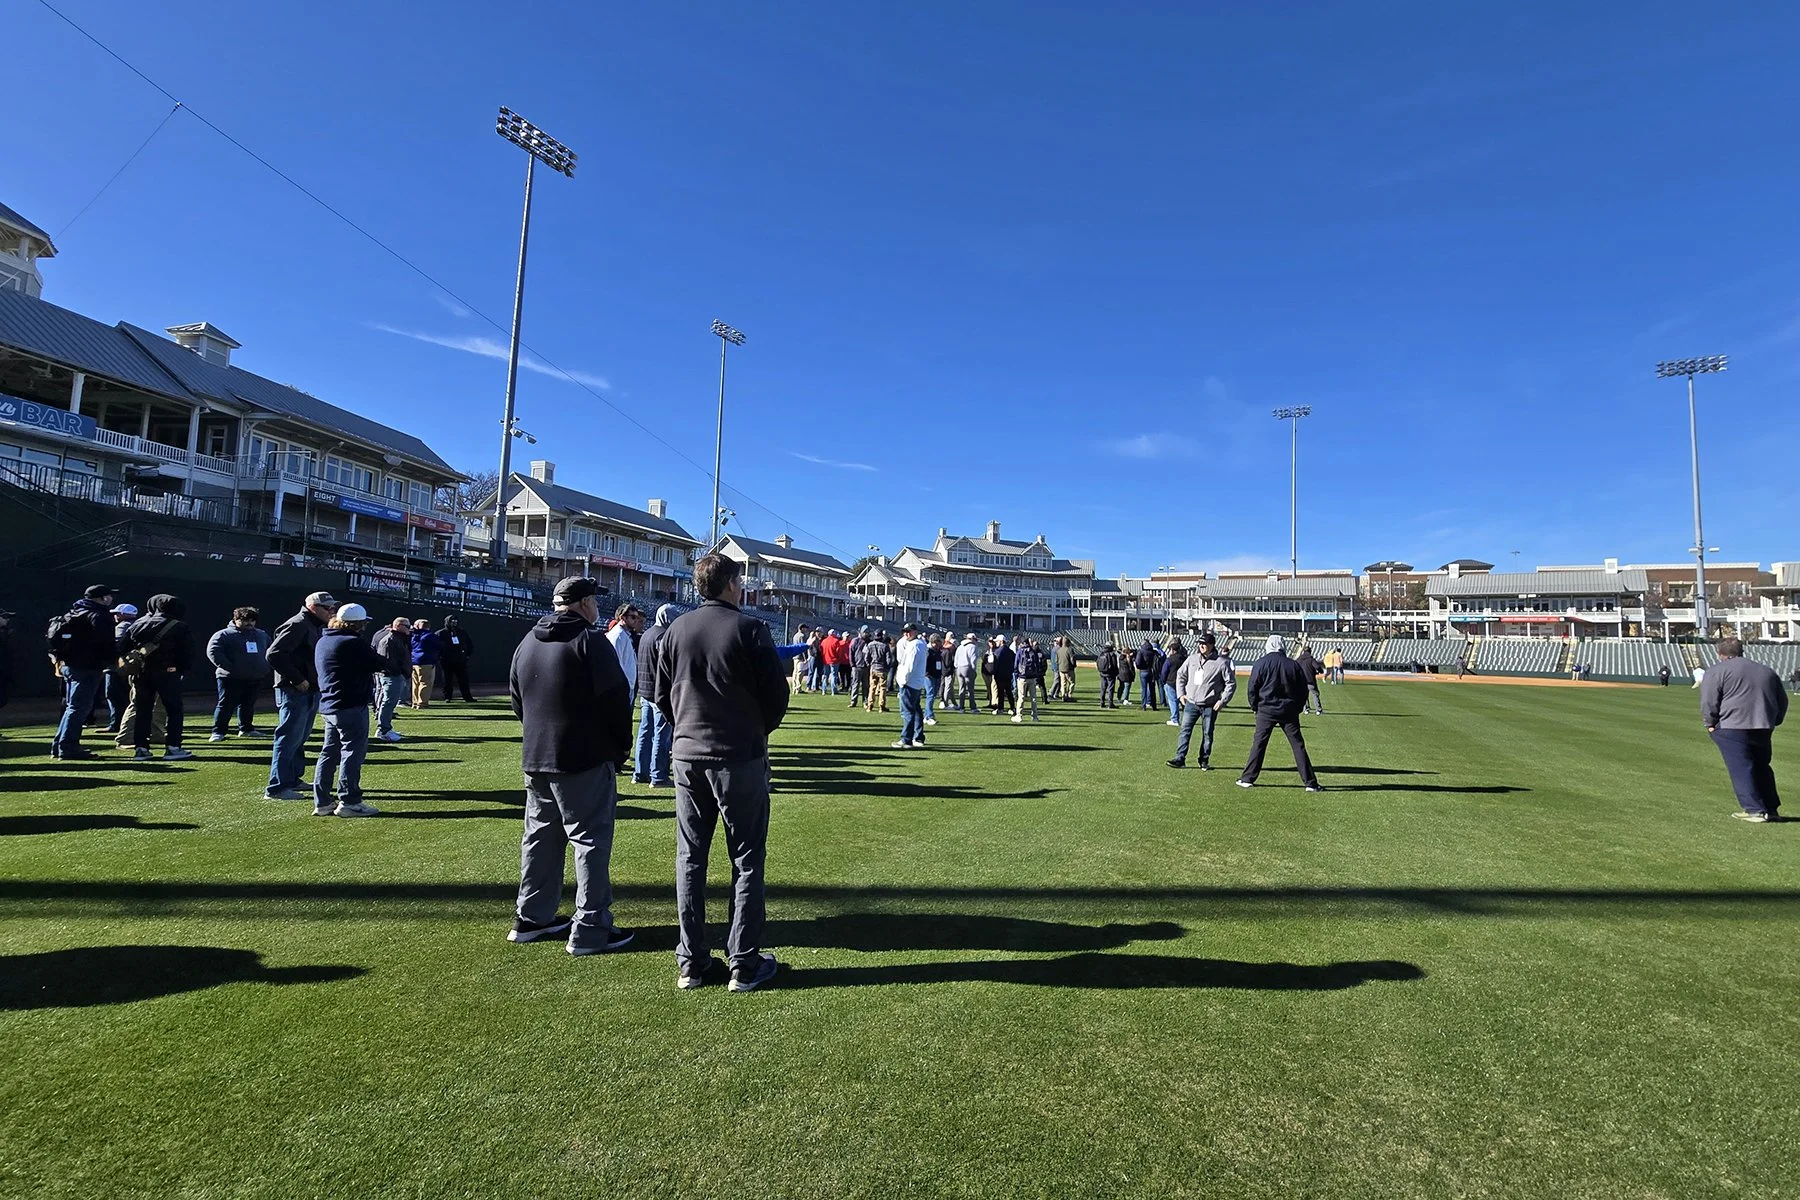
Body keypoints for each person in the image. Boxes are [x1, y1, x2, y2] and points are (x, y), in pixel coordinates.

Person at [652, 554, 790, 991]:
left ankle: (692, 961)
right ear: (731, 584)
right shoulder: (750, 629)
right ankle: (743, 963)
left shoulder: (675, 630)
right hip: (738, 756)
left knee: (690, 857)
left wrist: (689, 730)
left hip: (688, 755)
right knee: (746, 858)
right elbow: (777, 696)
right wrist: (752, 731)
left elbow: (661, 697)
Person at [510, 576, 636, 954]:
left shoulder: (527, 640)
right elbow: (616, 700)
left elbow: (518, 699)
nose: (596, 606)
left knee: (540, 836)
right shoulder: (590, 641)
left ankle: (532, 917)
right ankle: (591, 927)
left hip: (537, 756)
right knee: (590, 840)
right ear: (583, 604)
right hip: (583, 757)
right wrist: (619, 749)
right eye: (593, 599)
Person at [1700, 637, 1787, 823]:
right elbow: (1782, 700)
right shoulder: (1767, 671)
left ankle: (1754, 809)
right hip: (1763, 725)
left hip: (1732, 725)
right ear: (1741, 651)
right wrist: (1775, 720)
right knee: (1762, 766)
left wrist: (1710, 723)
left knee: (1741, 767)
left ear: (1720, 654)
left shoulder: (1716, 671)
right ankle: (1771, 809)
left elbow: (1709, 701)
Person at [312, 603, 385, 817]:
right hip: (350, 704)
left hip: (329, 704)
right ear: (358, 624)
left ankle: (323, 802)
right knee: (352, 752)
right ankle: (349, 801)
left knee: (329, 752)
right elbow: (379, 662)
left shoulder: (324, 640)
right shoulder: (353, 643)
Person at [265, 590, 337, 800]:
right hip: (294, 689)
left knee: (300, 737)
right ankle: (277, 787)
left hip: (308, 689)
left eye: (332, 607)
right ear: (313, 607)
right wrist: (297, 679)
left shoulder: (312, 625)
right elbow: (274, 654)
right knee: (288, 737)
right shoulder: (298, 624)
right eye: (327, 607)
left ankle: (293, 778)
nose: (331, 611)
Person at [1236, 634, 1324, 792]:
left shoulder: (1260, 663)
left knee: (1259, 744)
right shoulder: (1293, 665)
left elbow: (1252, 688)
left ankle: (1247, 778)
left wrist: (1255, 706)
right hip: (1288, 710)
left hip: (1266, 710)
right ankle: (1310, 783)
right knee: (1298, 746)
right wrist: (1297, 707)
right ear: (1283, 646)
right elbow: (1303, 690)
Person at [48, 583, 118, 760]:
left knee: (72, 707)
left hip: (69, 665)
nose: (111, 599)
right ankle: (68, 747)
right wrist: (112, 661)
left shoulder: (74, 612)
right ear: (103, 598)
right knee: (79, 708)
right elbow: (105, 643)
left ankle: (59, 746)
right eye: (108, 596)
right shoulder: (99, 615)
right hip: (87, 666)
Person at [123, 593, 196, 762]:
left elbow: (123, 647)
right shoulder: (179, 626)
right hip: (168, 673)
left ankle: (141, 749)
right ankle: (173, 747)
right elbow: (187, 652)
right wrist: (181, 669)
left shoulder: (138, 623)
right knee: (174, 710)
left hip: (141, 673)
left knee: (142, 710)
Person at [1169, 632, 1236, 769]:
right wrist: (1181, 694)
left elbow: (1231, 683)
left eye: (1204, 644)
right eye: (1199, 644)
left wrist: (1223, 701)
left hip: (1210, 705)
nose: (1201, 646)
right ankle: (1180, 758)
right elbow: (1181, 675)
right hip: (1191, 703)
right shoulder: (1192, 659)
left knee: (1207, 733)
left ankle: (1204, 759)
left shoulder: (1221, 663)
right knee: (1184, 730)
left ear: (1211, 645)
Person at [207, 606, 271, 740]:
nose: (249, 623)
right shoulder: (223, 635)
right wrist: (231, 668)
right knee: (226, 705)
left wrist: (264, 667)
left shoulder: (261, 635)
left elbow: (270, 651)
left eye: (252, 620)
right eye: (245, 620)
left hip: (255, 677)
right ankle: (218, 732)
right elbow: (213, 652)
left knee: (248, 704)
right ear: (235, 619)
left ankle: (246, 729)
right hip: (230, 677)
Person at [632, 604, 676, 788]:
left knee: (645, 732)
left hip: (645, 691)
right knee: (661, 735)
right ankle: (658, 776)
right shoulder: (663, 636)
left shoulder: (648, 634)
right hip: (659, 693)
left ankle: (640, 773)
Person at [371, 617, 412, 742]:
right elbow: (389, 662)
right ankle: (383, 730)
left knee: (390, 703)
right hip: (391, 676)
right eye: (407, 626)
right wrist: (400, 672)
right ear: (398, 626)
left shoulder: (398, 639)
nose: (409, 629)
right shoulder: (390, 640)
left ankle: (386, 728)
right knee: (388, 703)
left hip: (395, 675)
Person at [103, 602, 138, 733]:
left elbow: (116, 644)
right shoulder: (138, 624)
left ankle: (116, 724)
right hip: (132, 665)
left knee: (113, 694)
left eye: (117, 614)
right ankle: (125, 724)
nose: (115, 616)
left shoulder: (122, 626)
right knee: (128, 695)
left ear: (123, 615)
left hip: (117, 666)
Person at [894, 622, 930, 748]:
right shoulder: (919, 644)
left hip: (910, 682)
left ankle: (906, 739)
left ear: (915, 632)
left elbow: (909, 666)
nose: (906, 634)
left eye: (908, 631)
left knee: (908, 711)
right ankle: (918, 736)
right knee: (915, 710)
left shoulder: (914, 646)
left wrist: (903, 681)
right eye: (905, 631)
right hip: (915, 682)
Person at [605, 604, 641, 703]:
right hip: (621, 688)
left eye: (637, 617)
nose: (636, 620)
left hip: (627, 686)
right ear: (622, 617)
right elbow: (614, 664)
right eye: (633, 617)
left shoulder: (625, 635)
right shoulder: (618, 635)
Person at [437, 615, 476, 701]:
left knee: (464, 680)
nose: (454, 623)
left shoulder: (462, 633)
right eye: (452, 621)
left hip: (460, 661)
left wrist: (467, 655)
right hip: (446, 661)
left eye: (455, 621)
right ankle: (447, 697)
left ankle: (467, 697)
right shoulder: (441, 633)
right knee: (447, 680)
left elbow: (469, 645)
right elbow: (436, 647)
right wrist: (440, 656)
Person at [409, 618, 441, 708]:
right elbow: (440, 646)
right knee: (425, 683)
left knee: (415, 683)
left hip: (414, 661)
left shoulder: (413, 635)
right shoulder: (430, 636)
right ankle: (422, 703)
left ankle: (415, 702)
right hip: (427, 661)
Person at [1013, 636, 1045, 723]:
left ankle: (1019, 715)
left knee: (1021, 697)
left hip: (1022, 677)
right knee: (1033, 698)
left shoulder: (1020, 651)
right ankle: (1035, 716)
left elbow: (1016, 665)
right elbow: (1037, 665)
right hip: (1032, 677)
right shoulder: (1033, 652)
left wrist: (1017, 675)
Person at [1160, 637, 1188, 726]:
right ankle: (1186, 719)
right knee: (1183, 701)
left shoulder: (1169, 659)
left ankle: (1175, 719)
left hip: (1170, 681)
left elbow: (1164, 671)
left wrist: (1163, 681)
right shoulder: (1184, 659)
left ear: (1172, 649)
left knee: (1173, 701)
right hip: (1182, 681)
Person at [988, 635, 1016, 717]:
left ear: (1000, 641)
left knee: (1000, 692)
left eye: (997, 641)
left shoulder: (997, 652)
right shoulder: (1010, 652)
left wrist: (993, 672)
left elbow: (994, 665)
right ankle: (1012, 708)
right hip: (1008, 674)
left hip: (999, 674)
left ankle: (1001, 708)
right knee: (1009, 692)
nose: (996, 643)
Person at [865, 631, 893, 713]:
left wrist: (870, 665)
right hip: (882, 668)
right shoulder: (885, 646)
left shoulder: (870, 645)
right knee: (883, 688)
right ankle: (881, 705)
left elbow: (866, 657)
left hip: (873, 668)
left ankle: (870, 705)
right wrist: (887, 668)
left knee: (872, 687)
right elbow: (888, 659)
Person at [1296, 644, 1326, 714]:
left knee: (1304, 695)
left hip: (1302, 681)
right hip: (1311, 680)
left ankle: (1306, 709)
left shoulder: (1299, 659)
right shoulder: (1311, 660)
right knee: (1315, 694)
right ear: (1310, 652)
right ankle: (1318, 710)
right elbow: (1317, 667)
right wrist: (1319, 671)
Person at [955, 632, 980, 714]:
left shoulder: (960, 647)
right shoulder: (973, 647)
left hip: (959, 668)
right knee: (970, 689)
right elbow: (973, 660)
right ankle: (972, 707)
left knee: (961, 688)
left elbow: (956, 659)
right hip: (967, 667)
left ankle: (961, 707)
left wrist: (957, 667)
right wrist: (974, 670)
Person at [923, 633, 943, 726]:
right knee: (930, 695)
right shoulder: (928, 651)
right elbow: (925, 665)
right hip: (929, 676)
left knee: (932, 695)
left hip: (936, 675)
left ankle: (926, 715)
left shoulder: (938, 651)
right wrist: (927, 674)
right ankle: (930, 716)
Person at [1051, 635, 1077, 701]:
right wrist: (1073, 665)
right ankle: (1069, 695)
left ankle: (1063, 696)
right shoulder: (1069, 650)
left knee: (1063, 683)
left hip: (1061, 669)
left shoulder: (1058, 650)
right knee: (1072, 683)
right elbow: (1072, 660)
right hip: (1069, 669)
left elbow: (1056, 661)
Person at [1095, 641, 1119, 707]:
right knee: (1110, 688)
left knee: (1103, 688)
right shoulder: (1112, 654)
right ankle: (1110, 703)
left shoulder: (1101, 653)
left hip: (1102, 673)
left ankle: (1102, 702)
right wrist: (1116, 673)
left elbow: (1097, 662)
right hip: (1110, 674)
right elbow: (1114, 665)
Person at [1117, 642, 1135, 707]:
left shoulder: (1120, 657)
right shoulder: (1128, 658)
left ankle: (1119, 698)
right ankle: (1125, 699)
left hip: (1121, 673)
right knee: (1127, 687)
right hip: (1127, 674)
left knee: (1121, 686)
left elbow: (1119, 651)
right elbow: (1130, 666)